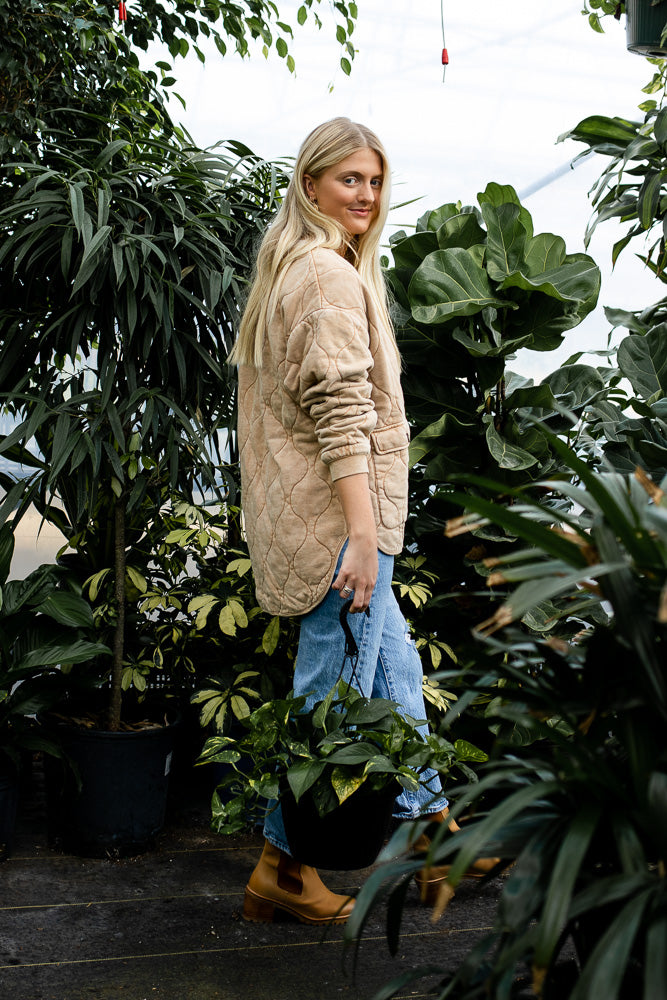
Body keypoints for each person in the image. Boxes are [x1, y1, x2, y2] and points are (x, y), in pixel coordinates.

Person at [230, 118, 490, 927]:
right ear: (309, 184)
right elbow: (341, 416)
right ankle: (283, 867)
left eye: (374, 181)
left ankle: (430, 836)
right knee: (330, 699)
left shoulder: (305, 268)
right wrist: (364, 537)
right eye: (349, 179)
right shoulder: (325, 277)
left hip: (322, 517)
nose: (366, 195)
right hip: (339, 525)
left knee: (393, 676)